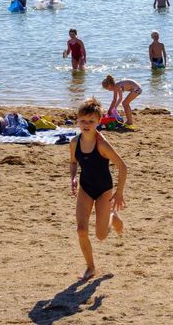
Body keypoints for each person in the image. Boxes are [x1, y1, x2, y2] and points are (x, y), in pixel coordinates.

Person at [69, 97, 127, 281]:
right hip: (86, 188)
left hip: (103, 191)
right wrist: (73, 177)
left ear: (98, 122)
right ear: (77, 120)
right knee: (81, 230)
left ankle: (112, 216)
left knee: (101, 235)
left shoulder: (102, 144)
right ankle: (91, 267)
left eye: (91, 121)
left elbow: (123, 167)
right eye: (83, 121)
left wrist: (119, 193)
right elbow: (73, 162)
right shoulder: (74, 142)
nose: (86, 124)